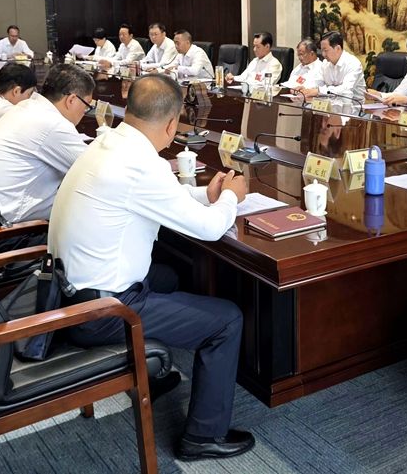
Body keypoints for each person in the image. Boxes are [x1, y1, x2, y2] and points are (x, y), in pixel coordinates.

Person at [49, 74, 255, 461]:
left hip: (68, 293)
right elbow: (211, 229)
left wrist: (205, 194)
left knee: (169, 276)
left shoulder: (110, 144)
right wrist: (230, 197)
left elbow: (155, 195)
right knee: (227, 320)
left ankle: (149, 371)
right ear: (172, 124)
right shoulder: (142, 165)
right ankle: (203, 437)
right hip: (102, 313)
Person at [0, 64, 93, 223]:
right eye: (87, 106)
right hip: (11, 228)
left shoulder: (27, 106)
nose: (84, 112)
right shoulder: (52, 123)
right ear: (72, 100)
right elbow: (95, 173)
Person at [296, 31, 365, 101]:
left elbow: (346, 90)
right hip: (330, 104)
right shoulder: (325, 64)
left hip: (354, 105)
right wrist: (306, 89)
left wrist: (319, 91)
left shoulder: (353, 63)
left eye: (326, 50)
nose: (323, 54)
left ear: (338, 48)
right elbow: (317, 82)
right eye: (322, 51)